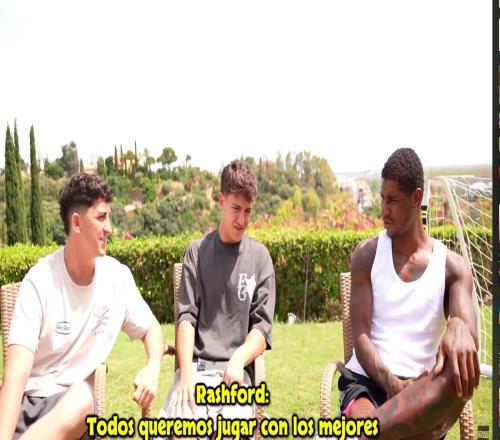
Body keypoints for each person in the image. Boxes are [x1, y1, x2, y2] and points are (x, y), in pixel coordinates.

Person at [0, 173, 165, 440]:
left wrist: (153, 366)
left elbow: (152, 329)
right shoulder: (40, 281)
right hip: (29, 409)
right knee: (82, 399)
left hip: (76, 414)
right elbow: (15, 377)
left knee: (83, 398)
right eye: (101, 217)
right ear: (76, 222)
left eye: (109, 217)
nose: (109, 228)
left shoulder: (117, 278)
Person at [338, 148, 479, 439]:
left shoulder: (452, 268)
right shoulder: (366, 255)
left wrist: (458, 325)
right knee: (369, 418)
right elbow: (360, 336)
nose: (383, 210)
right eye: (382, 199)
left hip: (423, 390)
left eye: (392, 200)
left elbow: (469, 346)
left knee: (459, 371)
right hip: (368, 382)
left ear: (416, 198)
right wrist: (390, 382)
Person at [157, 159, 276, 425]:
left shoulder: (260, 258)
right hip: (196, 370)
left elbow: (261, 330)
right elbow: (186, 319)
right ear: (221, 201)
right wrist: (185, 376)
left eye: (248, 211)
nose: (242, 220)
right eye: (236, 208)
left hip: (236, 376)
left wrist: (239, 358)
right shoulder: (197, 252)